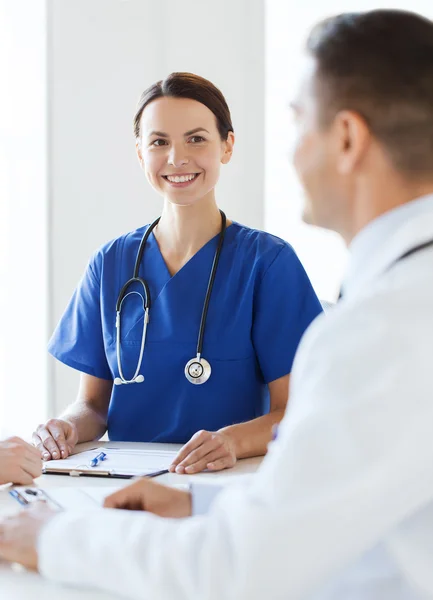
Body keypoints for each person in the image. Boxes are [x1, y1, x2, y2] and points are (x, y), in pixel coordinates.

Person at [2, 8, 433, 599]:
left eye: (297, 121)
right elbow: (324, 496)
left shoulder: (374, 323)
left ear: (348, 139)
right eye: (159, 141)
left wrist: (51, 539)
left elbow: (244, 561)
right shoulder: (398, 298)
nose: (178, 157)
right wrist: (194, 502)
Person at [31, 73, 322, 474]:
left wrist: (231, 441)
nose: (176, 158)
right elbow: (94, 407)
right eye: (159, 142)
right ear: (140, 153)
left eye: (196, 139)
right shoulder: (111, 262)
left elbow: (295, 410)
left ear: (227, 145)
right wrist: (64, 426)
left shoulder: (267, 263)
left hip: (228, 480)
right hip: (123, 482)